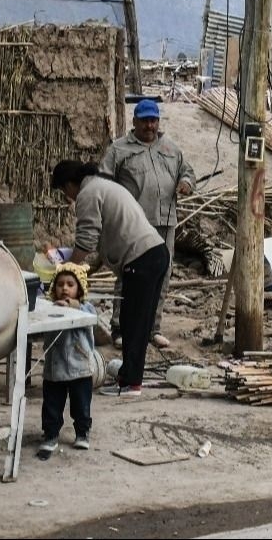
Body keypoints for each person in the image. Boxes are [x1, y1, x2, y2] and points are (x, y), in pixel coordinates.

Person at [50, 160, 168, 398]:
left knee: (132, 322)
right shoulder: (103, 186)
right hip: (156, 252)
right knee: (140, 323)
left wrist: (66, 271)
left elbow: (86, 240)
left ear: (70, 184)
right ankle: (132, 376)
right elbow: (103, 244)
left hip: (141, 258)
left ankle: (130, 383)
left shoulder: (87, 194)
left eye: (64, 191)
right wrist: (84, 272)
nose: (67, 197)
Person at [100, 98, 195, 350]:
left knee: (161, 276)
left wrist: (185, 183)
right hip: (133, 226)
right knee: (129, 275)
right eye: (144, 121)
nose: (149, 126)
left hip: (165, 224)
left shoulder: (171, 148)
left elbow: (187, 172)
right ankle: (120, 328)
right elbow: (104, 183)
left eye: (153, 120)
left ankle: (153, 329)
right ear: (134, 122)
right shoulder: (119, 150)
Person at [37, 262, 98, 459]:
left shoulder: (85, 307)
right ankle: (51, 434)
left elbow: (91, 317)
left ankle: (82, 432)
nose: (64, 288)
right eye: (60, 284)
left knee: (81, 404)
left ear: (79, 288)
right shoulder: (50, 307)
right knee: (52, 404)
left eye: (70, 284)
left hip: (79, 367)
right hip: (55, 368)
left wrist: (73, 306)